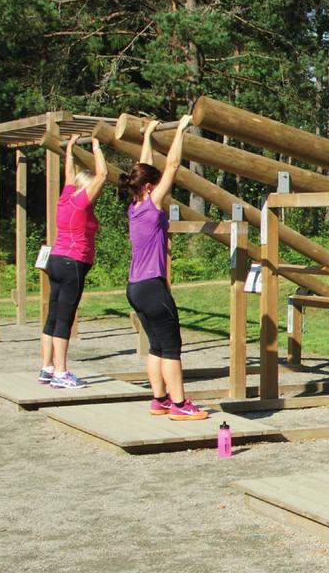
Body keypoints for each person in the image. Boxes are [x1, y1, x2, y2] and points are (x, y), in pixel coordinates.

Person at [119, 115, 208, 421]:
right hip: (153, 287)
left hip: (135, 288)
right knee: (171, 346)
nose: (161, 188)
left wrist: (149, 136)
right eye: (155, 185)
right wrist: (181, 130)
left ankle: (159, 400)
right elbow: (171, 167)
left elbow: (143, 167)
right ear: (148, 187)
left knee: (156, 344)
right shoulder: (151, 205)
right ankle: (181, 404)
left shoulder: (134, 206)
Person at [39, 135, 107, 388]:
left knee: (53, 315)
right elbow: (102, 175)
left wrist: (70, 149)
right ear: (87, 187)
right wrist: (97, 146)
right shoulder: (80, 202)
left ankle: (47, 368)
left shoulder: (65, 197)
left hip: (56, 260)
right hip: (72, 263)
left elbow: (68, 174)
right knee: (65, 318)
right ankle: (61, 373)